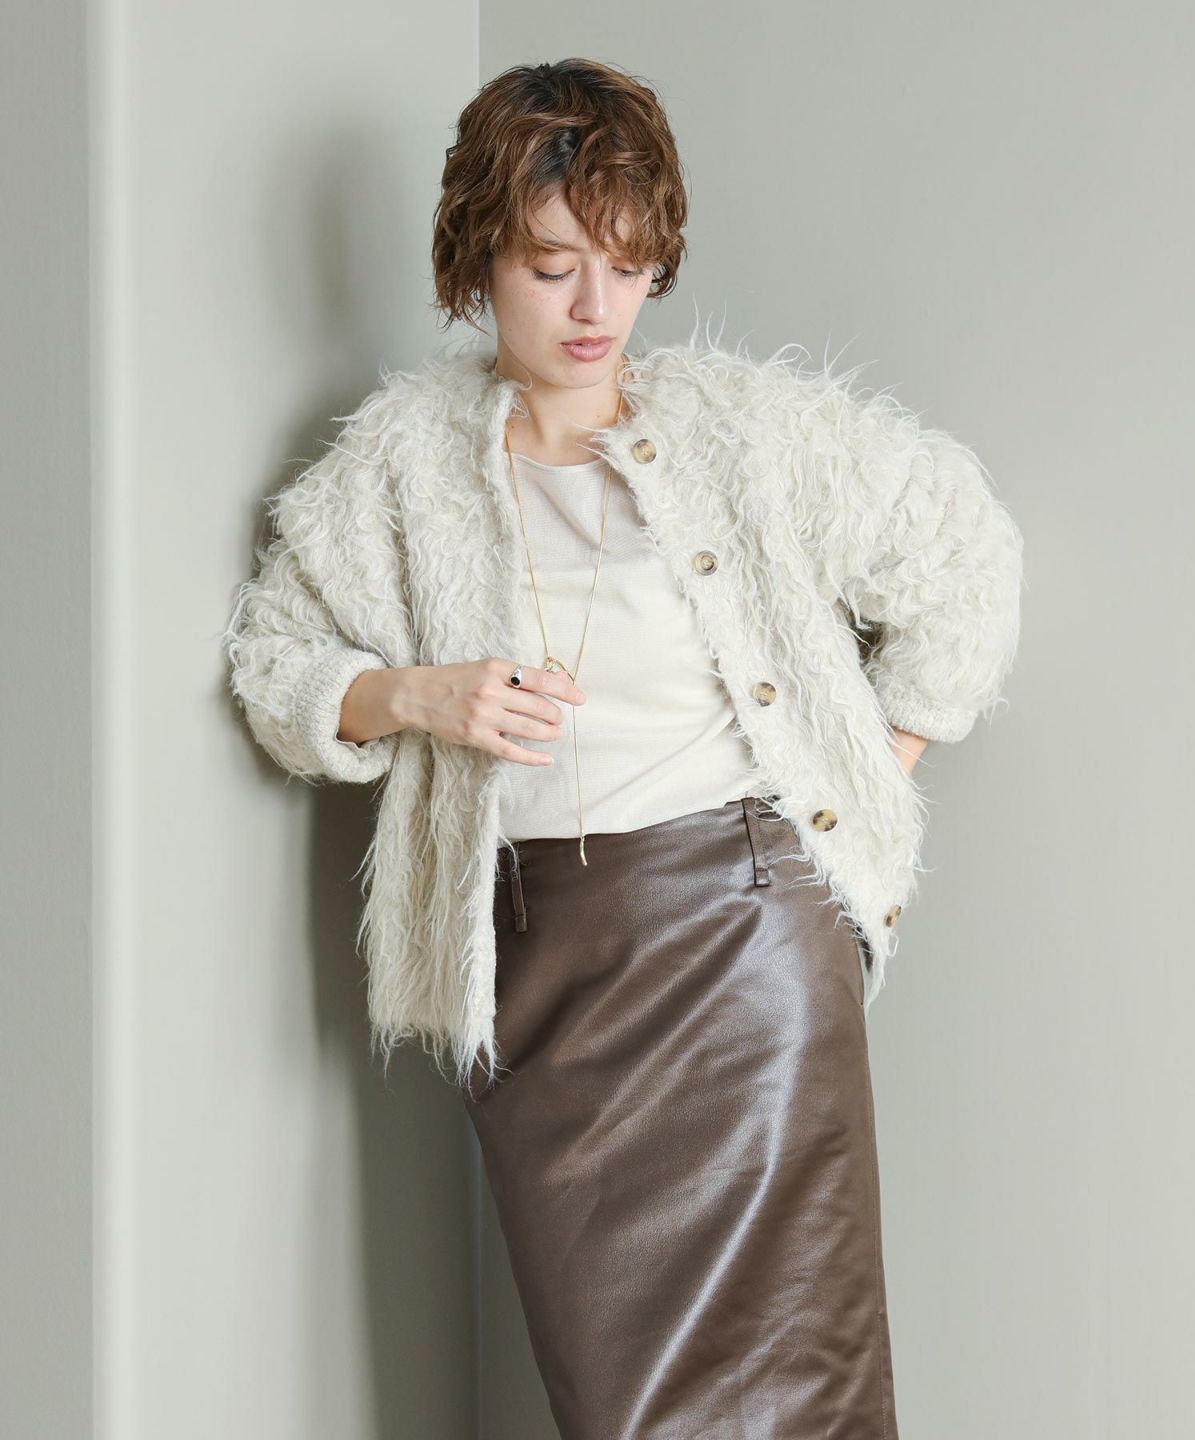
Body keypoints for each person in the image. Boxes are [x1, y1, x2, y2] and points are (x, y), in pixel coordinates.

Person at [223, 57, 1023, 1440]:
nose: (597, 307)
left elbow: (966, 553)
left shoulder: (747, 432)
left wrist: (862, 778)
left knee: (814, 1390)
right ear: (478, 258)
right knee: (620, 1405)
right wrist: (418, 697)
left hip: (749, 946)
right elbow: (275, 666)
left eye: (629, 264)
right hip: (540, 973)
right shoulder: (397, 470)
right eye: (553, 266)